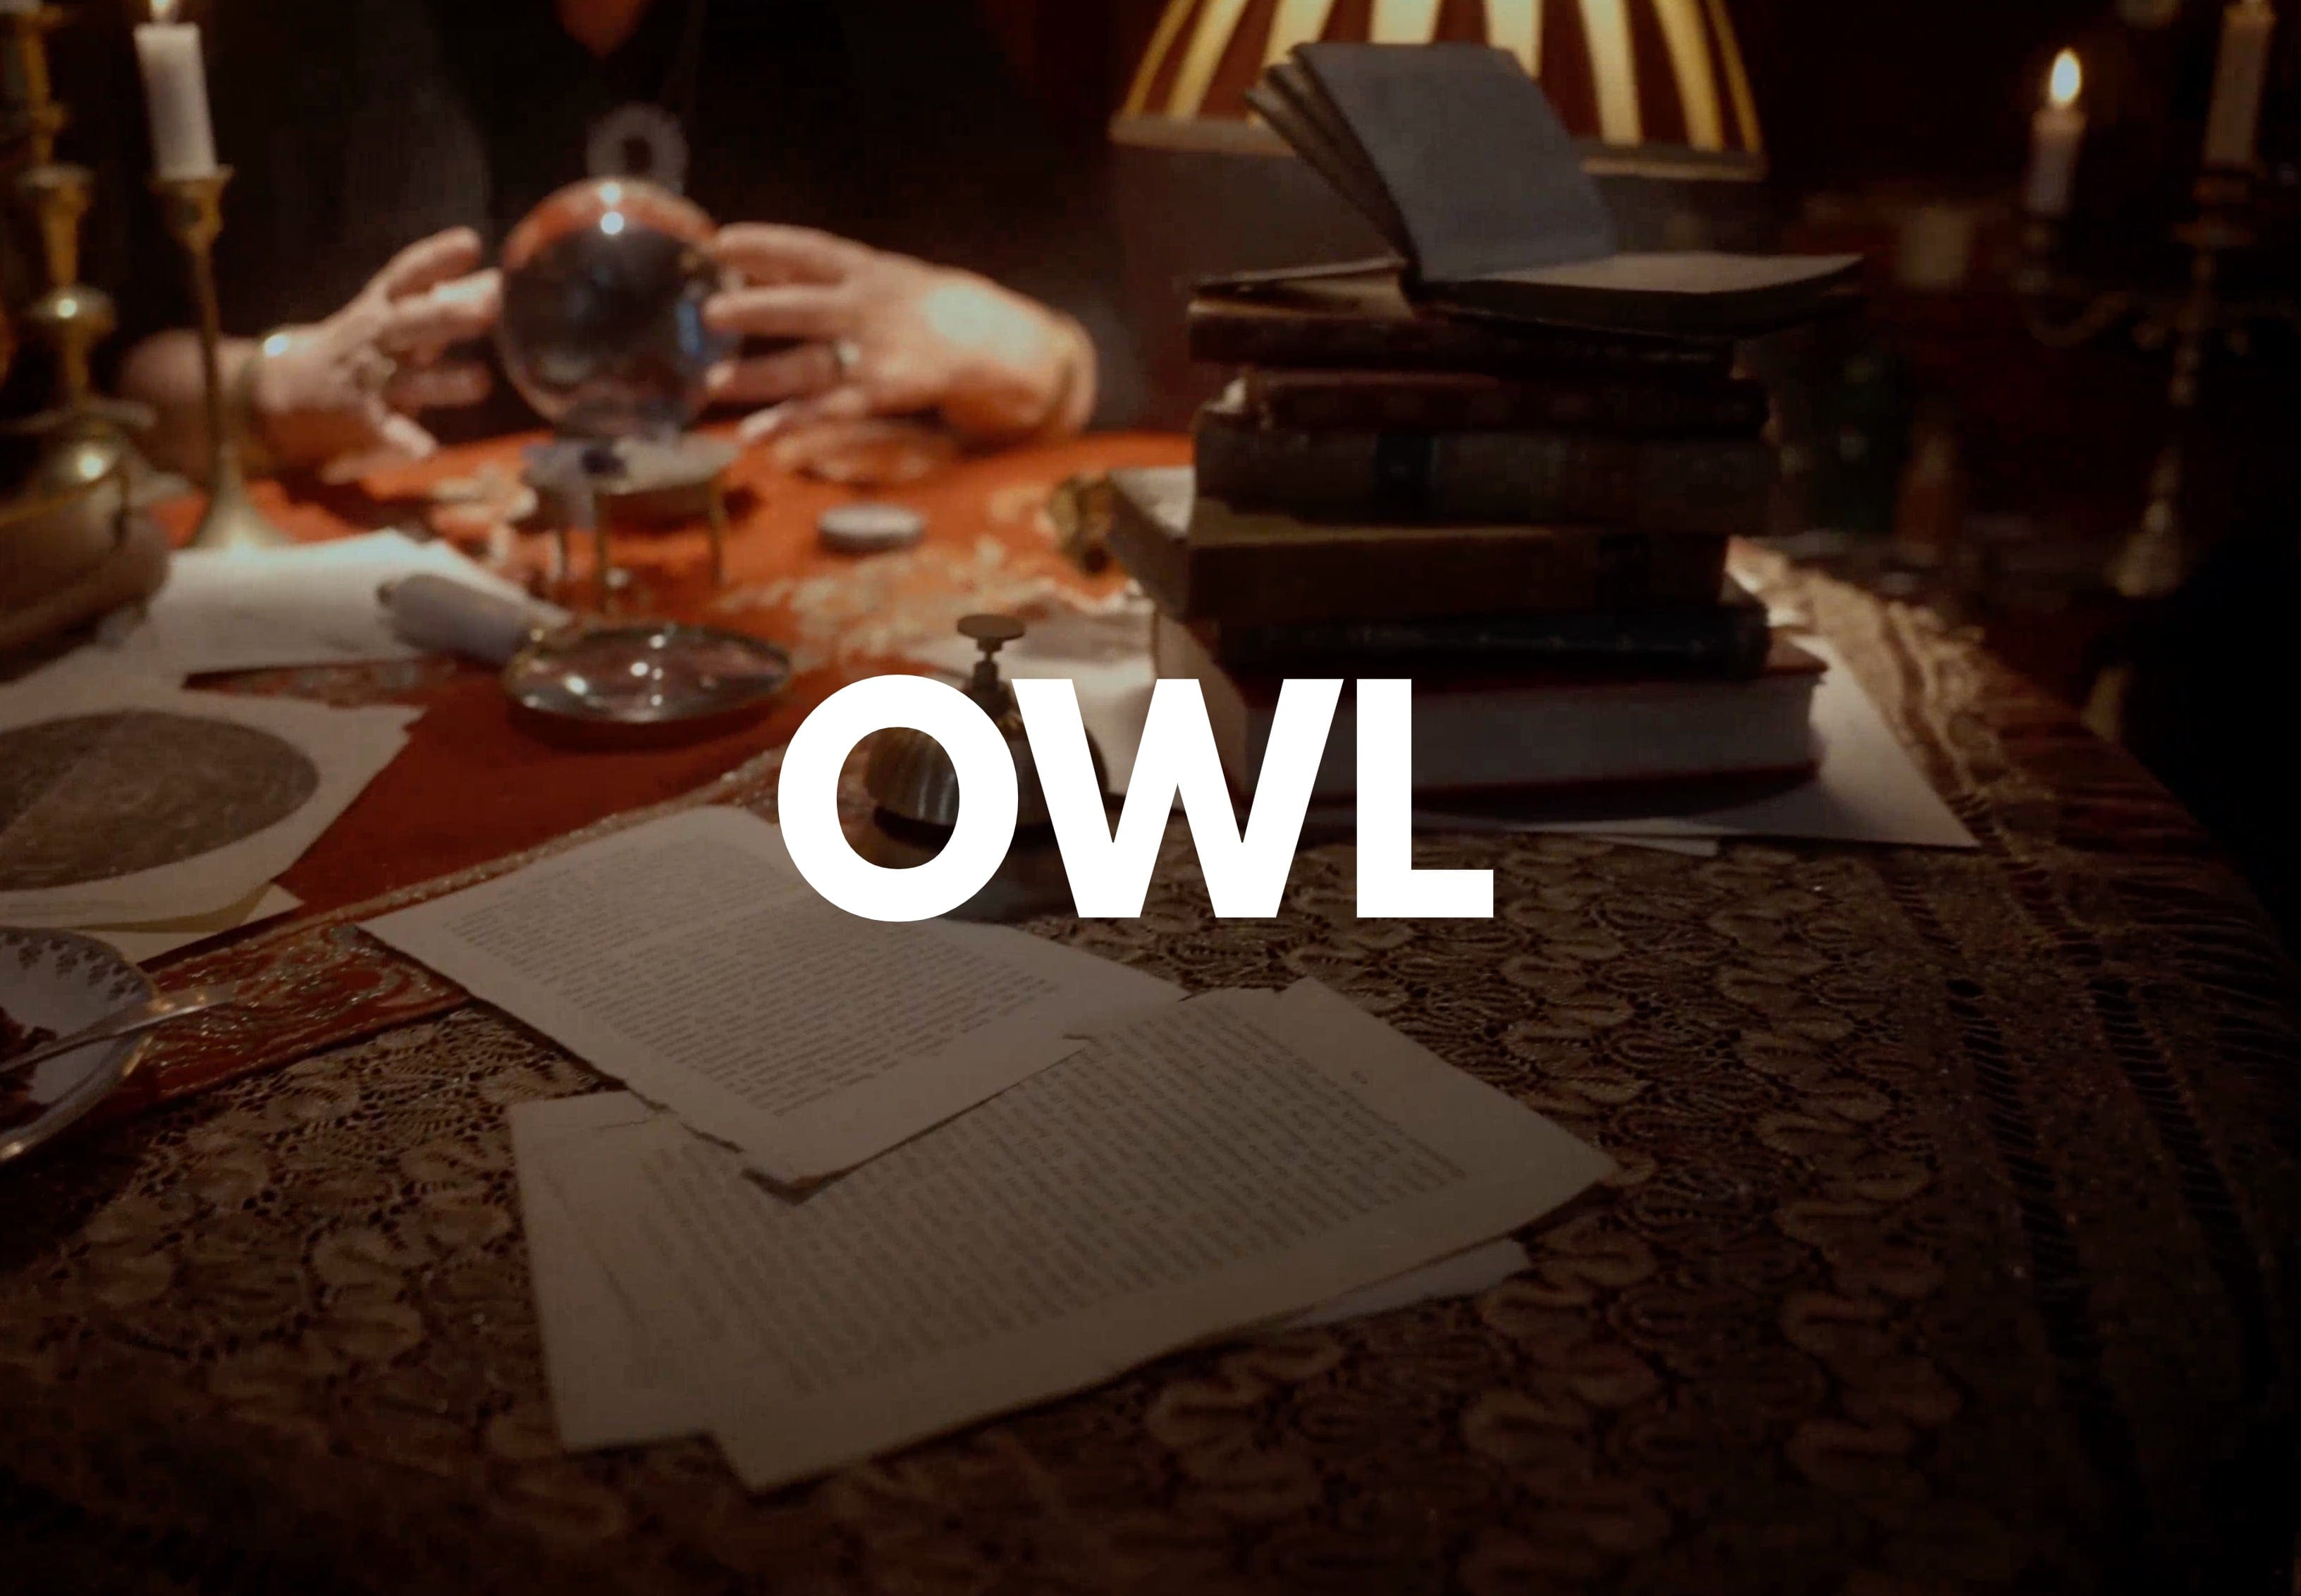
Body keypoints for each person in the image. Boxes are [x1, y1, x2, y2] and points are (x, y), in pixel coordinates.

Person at [51, 0, 1125, 486]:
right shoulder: (302, 28)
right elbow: (114, 385)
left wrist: (1033, 357)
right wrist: (271, 391)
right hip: (420, 642)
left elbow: (1102, 342)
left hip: (795, 633)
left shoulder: (874, 24)